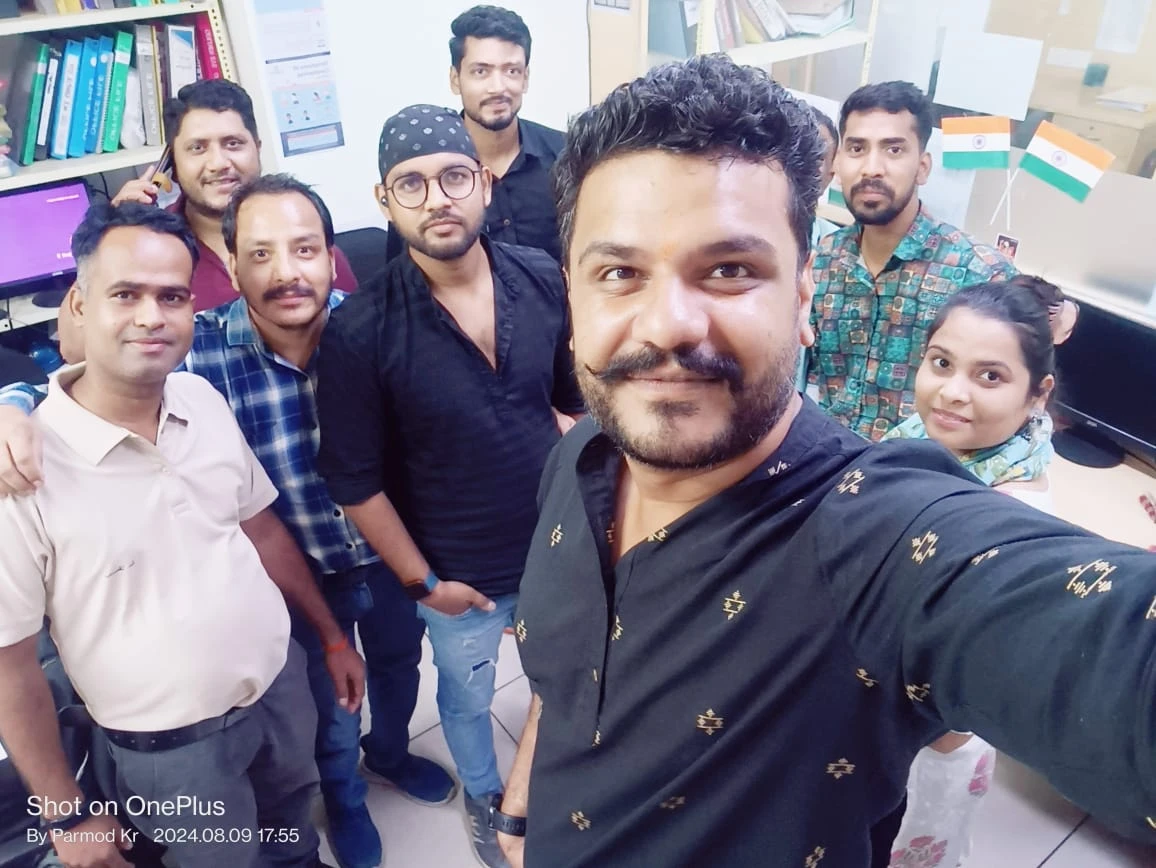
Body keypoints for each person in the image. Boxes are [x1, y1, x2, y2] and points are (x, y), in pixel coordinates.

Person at [492, 55, 1156, 868]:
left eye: (729, 270)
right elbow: (561, 681)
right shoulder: (578, 457)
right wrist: (520, 809)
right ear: (573, 294)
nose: (666, 324)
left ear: (805, 291)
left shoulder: (882, 543)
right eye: (620, 272)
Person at [0, 175, 456, 868]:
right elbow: (10, 669)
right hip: (171, 743)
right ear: (79, 305)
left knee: (297, 815)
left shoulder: (200, 396)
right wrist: (65, 813)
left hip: (287, 671)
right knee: (222, 853)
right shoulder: (24, 466)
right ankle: (344, 801)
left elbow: (259, 523)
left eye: (171, 296)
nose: (151, 317)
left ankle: (351, 797)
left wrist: (337, 635)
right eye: (125, 295)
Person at [315, 105, 584, 868]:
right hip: (458, 576)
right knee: (466, 698)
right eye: (412, 184)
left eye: (454, 177)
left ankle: (547, 781)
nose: (437, 199)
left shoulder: (541, 278)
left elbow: (568, 402)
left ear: (486, 184)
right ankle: (484, 793)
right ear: (384, 200)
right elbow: (355, 482)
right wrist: (425, 585)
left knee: (561, 675)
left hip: (553, 548)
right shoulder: (362, 330)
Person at [881, 279, 1058, 867]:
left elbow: (963, 663)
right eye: (941, 363)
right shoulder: (913, 441)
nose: (952, 392)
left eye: (989, 376)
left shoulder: (1008, 513)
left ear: (1037, 394)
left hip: (927, 735)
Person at [810, 81, 1017, 441]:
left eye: (893, 150)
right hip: (830, 461)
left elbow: (1014, 407)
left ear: (922, 168)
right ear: (839, 165)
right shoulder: (823, 260)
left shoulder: (982, 275)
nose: (871, 168)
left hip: (922, 470)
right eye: (857, 149)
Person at [108, 78, 359, 311]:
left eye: (233, 144)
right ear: (172, 162)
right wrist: (111, 242)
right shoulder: (146, 245)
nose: (218, 163)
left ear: (257, 149)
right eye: (198, 148)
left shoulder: (309, 246)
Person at [385, 6, 565, 264]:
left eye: (511, 71)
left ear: (525, 78)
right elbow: (403, 271)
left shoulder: (567, 155)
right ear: (455, 79)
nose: (498, 88)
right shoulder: (422, 168)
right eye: (481, 71)